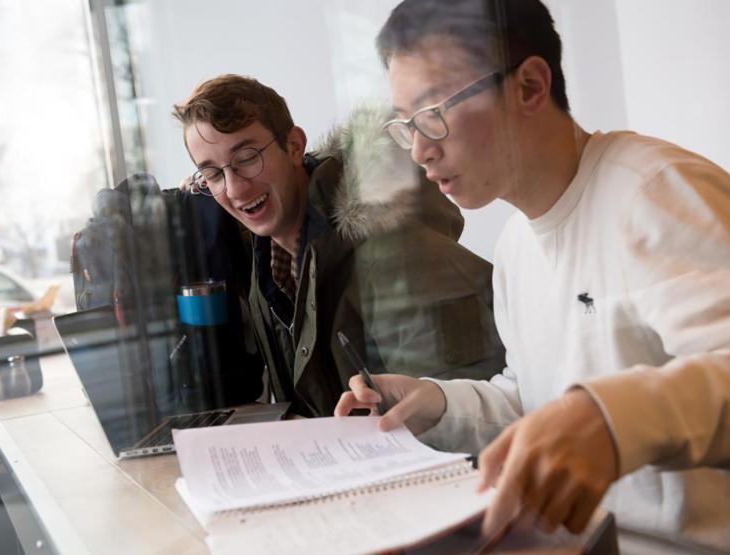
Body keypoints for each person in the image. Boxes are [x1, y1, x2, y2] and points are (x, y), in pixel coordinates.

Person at [334, 0, 730, 549]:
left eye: (433, 112)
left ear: (529, 87)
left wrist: (609, 418)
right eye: (405, 126)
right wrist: (436, 403)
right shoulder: (517, 245)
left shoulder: (655, 193)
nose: (421, 150)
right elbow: (533, 402)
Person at [172, 75, 505, 417]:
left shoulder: (395, 254)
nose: (235, 189)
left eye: (246, 157)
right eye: (212, 174)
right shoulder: (266, 262)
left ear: (294, 146)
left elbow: (453, 425)